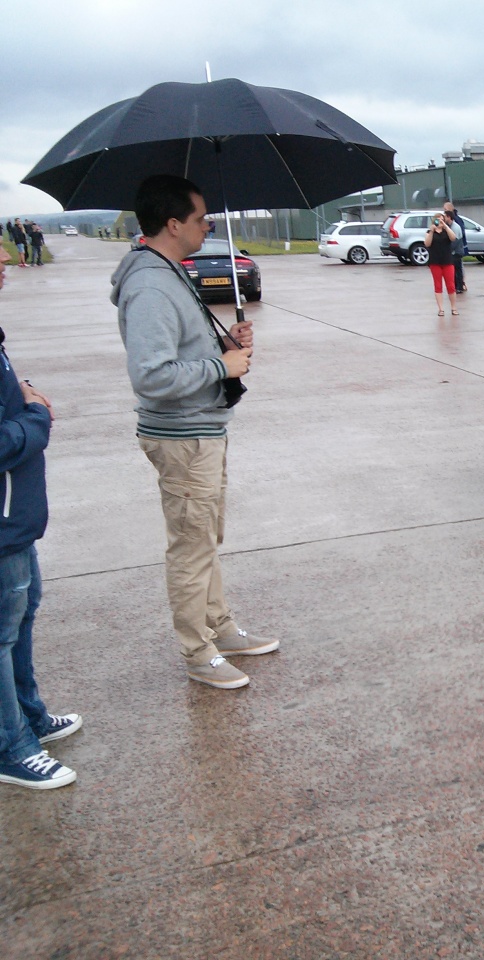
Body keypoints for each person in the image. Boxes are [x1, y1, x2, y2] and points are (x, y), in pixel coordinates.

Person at [110, 174, 277, 690]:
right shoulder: (151, 284)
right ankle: (197, 651)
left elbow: (181, 348)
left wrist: (226, 342)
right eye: (202, 218)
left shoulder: (169, 271)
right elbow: (152, 375)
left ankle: (219, 626)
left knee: (205, 538)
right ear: (173, 223)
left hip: (201, 430)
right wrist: (221, 368)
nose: (209, 225)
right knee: (191, 544)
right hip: (182, 437)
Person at [0, 244, 81, 790]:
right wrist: (35, 417)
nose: (4, 265)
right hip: (3, 522)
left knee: (24, 616)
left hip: (17, 516)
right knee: (2, 635)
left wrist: (19, 389)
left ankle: (29, 718)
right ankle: (12, 748)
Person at [427, 212, 458, 316]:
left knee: (451, 285)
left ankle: (453, 308)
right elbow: (427, 243)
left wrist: (445, 226)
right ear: (434, 221)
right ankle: (441, 309)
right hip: (435, 262)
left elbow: (453, 238)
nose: (440, 221)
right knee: (438, 285)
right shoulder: (429, 231)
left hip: (447, 261)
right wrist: (432, 231)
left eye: (442, 219)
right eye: (438, 220)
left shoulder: (447, 231)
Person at [443, 202, 466, 293]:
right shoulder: (449, 226)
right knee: (455, 270)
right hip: (454, 251)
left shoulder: (455, 226)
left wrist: (447, 250)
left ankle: (459, 287)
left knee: (457, 270)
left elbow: (455, 241)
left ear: (449, 217)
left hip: (456, 252)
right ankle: (457, 286)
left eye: (445, 211)